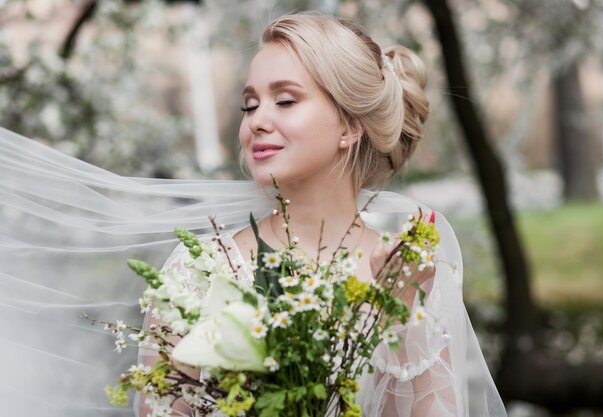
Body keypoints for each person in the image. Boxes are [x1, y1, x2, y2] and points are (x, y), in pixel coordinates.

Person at [0, 12, 506, 417]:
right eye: (249, 105)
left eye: (285, 100)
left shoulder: (405, 267)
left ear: (350, 126)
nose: (258, 121)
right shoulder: (199, 271)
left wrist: (395, 318)